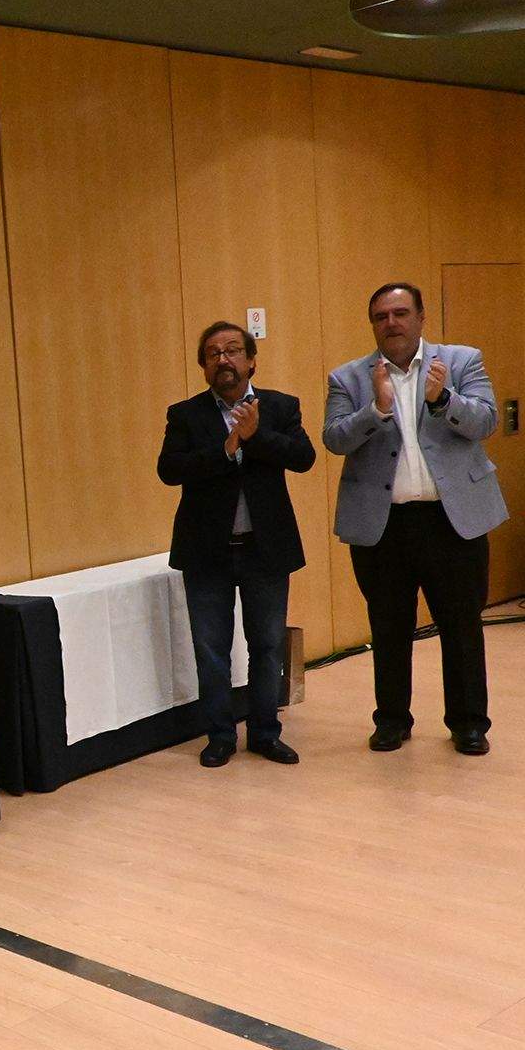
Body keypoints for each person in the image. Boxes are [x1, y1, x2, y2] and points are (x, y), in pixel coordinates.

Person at [324, 283, 506, 756]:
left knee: (461, 625)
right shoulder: (349, 377)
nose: (392, 323)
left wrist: (443, 400)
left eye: (401, 313)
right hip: (383, 527)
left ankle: (468, 724)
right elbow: (334, 439)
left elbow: (487, 421)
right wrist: (377, 408)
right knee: (388, 626)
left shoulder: (462, 361)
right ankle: (391, 721)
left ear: (421, 318)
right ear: (373, 325)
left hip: (452, 521)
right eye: (382, 316)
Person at [158, 321, 316, 768]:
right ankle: (221, 736)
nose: (223, 359)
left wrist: (255, 436)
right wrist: (226, 450)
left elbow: (303, 458)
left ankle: (266, 733)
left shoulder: (281, 406)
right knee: (211, 650)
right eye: (213, 354)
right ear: (204, 367)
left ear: (250, 361)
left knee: (267, 645)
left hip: (265, 550)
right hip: (207, 551)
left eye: (232, 351)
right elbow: (169, 469)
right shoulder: (185, 414)